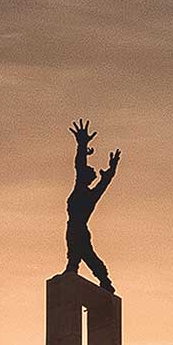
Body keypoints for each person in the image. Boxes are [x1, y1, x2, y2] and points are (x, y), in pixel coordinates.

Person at [65, 118, 121, 292]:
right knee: (78, 255)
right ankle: (101, 279)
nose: (87, 169)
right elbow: (80, 165)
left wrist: (111, 171)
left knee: (83, 255)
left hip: (79, 228)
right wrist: (81, 145)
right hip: (73, 227)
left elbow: (84, 169)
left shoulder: (88, 194)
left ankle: (104, 280)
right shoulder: (84, 189)